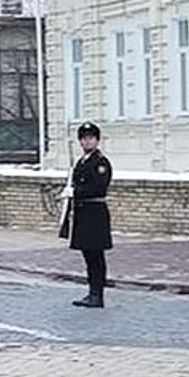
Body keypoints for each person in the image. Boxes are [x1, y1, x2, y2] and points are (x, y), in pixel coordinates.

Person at [63, 120, 112, 308]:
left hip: (95, 215)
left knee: (96, 257)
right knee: (88, 257)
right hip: (83, 214)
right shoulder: (81, 162)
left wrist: (75, 192)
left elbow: (98, 187)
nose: (86, 142)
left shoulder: (101, 163)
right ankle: (91, 292)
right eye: (83, 139)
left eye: (90, 138)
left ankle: (97, 295)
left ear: (97, 140)